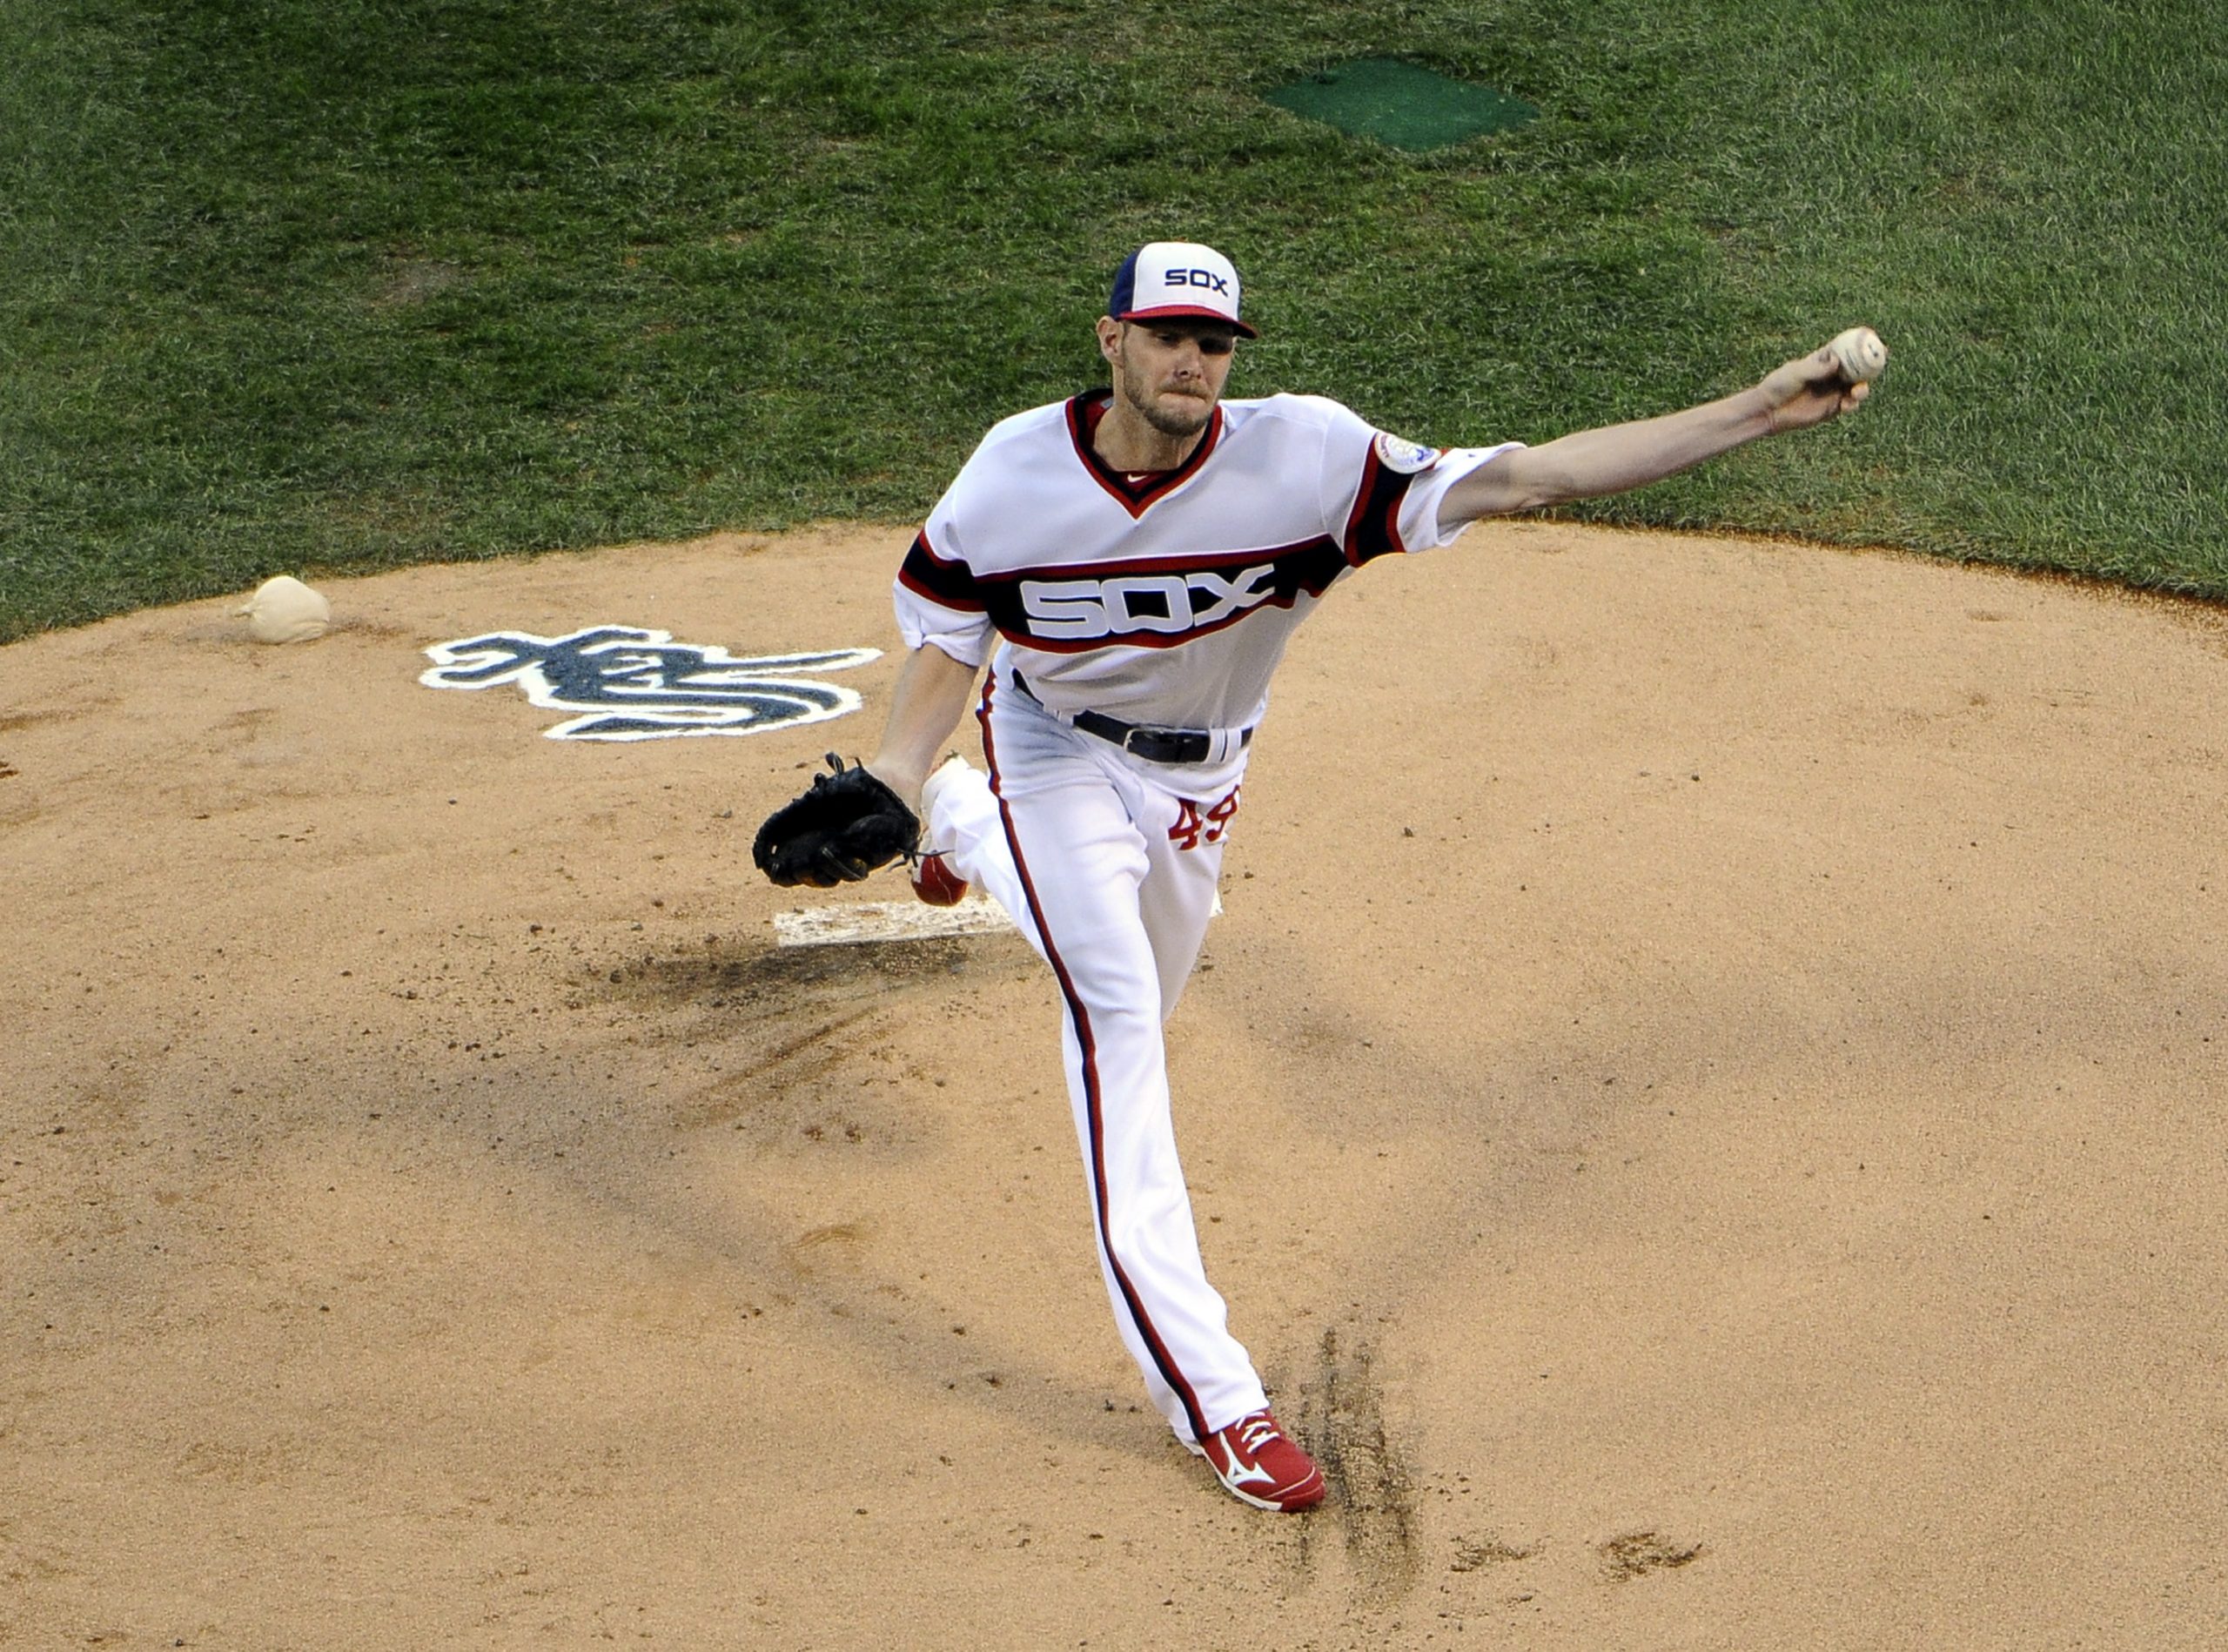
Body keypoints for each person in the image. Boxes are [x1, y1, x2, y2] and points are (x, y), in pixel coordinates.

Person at [770, 240, 1873, 1512]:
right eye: (1169, 334)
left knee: (1144, 973)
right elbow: (951, 634)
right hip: (1049, 747)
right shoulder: (1011, 473)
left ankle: (962, 835)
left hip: (1201, 785)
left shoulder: (1306, 459)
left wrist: (1753, 412)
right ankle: (1217, 1399)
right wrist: (903, 768)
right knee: (1119, 1018)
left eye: (1218, 340)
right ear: (1110, 339)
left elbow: (1529, 476)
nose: (1195, 359)